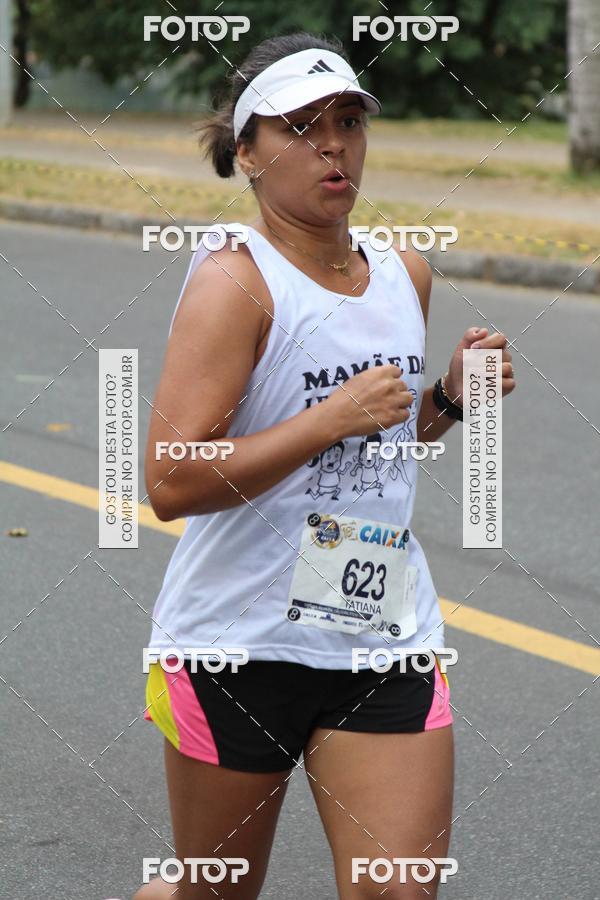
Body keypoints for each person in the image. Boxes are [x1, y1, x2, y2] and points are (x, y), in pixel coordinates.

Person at [134, 31, 515, 900]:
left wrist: (449, 400)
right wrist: (326, 418)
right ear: (247, 152)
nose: (333, 145)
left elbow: (379, 445)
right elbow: (168, 480)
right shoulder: (236, 282)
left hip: (378, 635)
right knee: (213, 892)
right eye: (301, 127)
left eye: (347, 121)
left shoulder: (403, 273)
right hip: (237, 646)